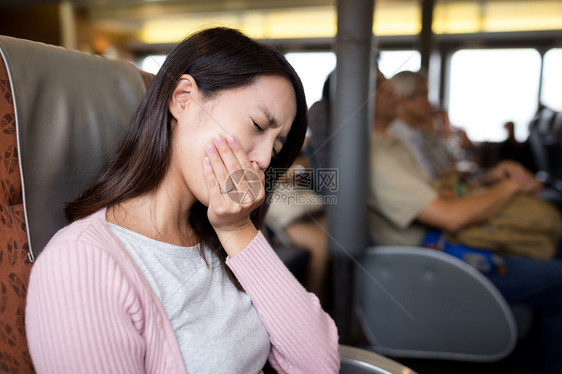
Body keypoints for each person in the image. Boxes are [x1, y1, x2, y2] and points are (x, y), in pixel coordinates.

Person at [25, 27, 340, 373]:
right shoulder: (82, 264)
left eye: (276, 147)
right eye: (257, 125)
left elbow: (318, 365)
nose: (264, 159)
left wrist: (238, 230)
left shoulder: (223, 232)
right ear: (184, 98)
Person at [369, 69, 562, 374]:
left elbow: (444, 193)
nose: (393, 92)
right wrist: (509, 187)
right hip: (437, 260)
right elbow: (451, 216)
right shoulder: (376, 155)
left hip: (444, 248)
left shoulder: (393, 145)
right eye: (381, 87)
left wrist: (489, 181)